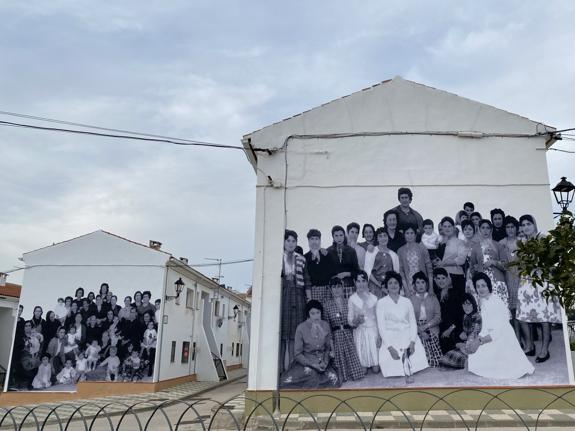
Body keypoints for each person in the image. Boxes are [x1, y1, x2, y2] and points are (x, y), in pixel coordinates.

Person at [468, 273, 535, 379]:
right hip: (489, 335)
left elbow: (499, 330)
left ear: (489, 286)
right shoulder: (483, 300)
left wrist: (480, 341)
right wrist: (477, 338)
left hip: (502, 338)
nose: (481, 289)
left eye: (483, 286)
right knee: (472, 361)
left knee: (491, 367)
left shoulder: (496, 301)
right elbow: (486, 326)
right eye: (478, 286)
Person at [516, 214, 562, 362]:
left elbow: (554, 258)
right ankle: (529, 346)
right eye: (523, 225)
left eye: (528, 224)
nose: (525, 227)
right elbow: (520, 264)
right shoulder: (522, 242)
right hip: (526, 281)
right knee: (522, 315)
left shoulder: (542, 238)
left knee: (544, 315)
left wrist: (542, 267)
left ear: (534, 224)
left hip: (541, 281)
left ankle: (544, 350)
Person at [376, 272, 429, 378]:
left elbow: (413, 323)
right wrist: (390, 348)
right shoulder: (381, 303)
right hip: (390, 337)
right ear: (386, 286)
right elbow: (381, 327)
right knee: (393, 371)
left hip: (407, 334)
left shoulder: (407, 301)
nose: (393, 285)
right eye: (390, 283)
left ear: (400, 285)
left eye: (396, 283)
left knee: (416, 367)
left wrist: (413, 342)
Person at [280, 300, 339, 389]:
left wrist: (325, 363)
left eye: (318, 313)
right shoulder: (301, 328)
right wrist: (312, 364)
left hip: (322, 362)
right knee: (309, 376)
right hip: (305, 363)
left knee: (334, 379)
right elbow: (297, 354)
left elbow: (327, 349)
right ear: (308, 314)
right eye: (312, 313)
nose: (316, 316)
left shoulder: (325, 325)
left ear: (321, 313)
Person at [323, 280, 365, 383]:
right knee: (339, 367)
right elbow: (327, 327)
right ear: (331, 290)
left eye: (338, 287)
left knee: (357, 370)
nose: (336, 290)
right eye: (334, 287)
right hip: (336, 336)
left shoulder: (349, 301)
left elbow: (354, 322)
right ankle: (343, 375)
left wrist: (358, 320)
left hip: (349, 334)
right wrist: (331, 346)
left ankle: (354, 373)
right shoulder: (327, 305)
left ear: (342, 288)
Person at [280, 230, 308, 372]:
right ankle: (280, 371)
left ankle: (293, 370)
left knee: (295, 334)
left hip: (298, 297)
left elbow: (307, 280)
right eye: (288, 241)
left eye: (293, 241)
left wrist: (308, 299)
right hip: (284, 296)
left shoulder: (301, 259)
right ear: (284, 242)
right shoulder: (279, 258)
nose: (290, 244)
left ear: (296, 243)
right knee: (283, 334)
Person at [469, 219, 510, 315]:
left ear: (491, 230)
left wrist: (493, 262)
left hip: (498, 283)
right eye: (483, 228)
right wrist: (478, 267)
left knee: (501, 312)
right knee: (486, 312)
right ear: (479, 229)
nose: (485, 230)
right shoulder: (475, 248)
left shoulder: (498, 245)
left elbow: (506, 265)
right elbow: (472, 268)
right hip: (483, 285)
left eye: (488, 228)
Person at [348, 271, 380, 374]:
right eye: (358, 281)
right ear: (354, 282)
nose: (361, 284)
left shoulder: (374, 298)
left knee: (376, 370)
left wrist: (379, 336)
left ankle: (375, 362)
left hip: (373, 332)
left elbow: (378, 319)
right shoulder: (352, 299)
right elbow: (350, 320)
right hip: (360, 332)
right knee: (363, 371)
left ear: (367, 282)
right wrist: (356, 321)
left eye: (363, 281)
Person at [440, 293, 482, 369]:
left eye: (469, 304)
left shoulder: (477, 317)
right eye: (464, 304)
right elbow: (464, 334)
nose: (466, 307)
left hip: (475, 345)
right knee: (445, 358)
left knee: (458, 358)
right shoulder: (465, 316)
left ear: (473, 304)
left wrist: (462, 345)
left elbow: (473, 335)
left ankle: (472, 363)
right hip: (466, 344)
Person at [410, 272, 442, 367]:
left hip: (431, 327)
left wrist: (426, 326)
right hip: (416, 328)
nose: (420, 285)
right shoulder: (410, 300)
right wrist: (420, 331)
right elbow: (409, 320)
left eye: (423, 282)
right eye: (418, 283)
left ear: (426, 284)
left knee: (436, 361)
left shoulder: (433, 298)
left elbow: (438, 317)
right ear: (414, 285)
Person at [499, 215, 522, 342]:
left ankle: (526, 339)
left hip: (520, 276)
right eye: (507, 227)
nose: (510, 229)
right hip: (507, 276)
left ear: (516, 227)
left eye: (512, 226)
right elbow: (501, 263)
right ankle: (516, 340)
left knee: (521, 309)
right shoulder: (501, 243)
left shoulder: (521, 241)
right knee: (511, 310)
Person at [434, 217, 467, 297]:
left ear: (453, 227)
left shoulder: (460, 242)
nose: (447, 228)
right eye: (444, 226)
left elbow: (461, 259)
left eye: (449, 226)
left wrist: (444, 263)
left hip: (455, 276)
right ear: (441, 227)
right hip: (440, 278)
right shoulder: (437, 242)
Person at [433, 268, 464, 353]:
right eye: (438, 278)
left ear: (447, 279)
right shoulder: (437, 295)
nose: (441, 281)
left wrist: (450, 329)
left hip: (455, 328)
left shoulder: (454, 293)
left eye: (443, 278)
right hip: (442, 329)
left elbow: (459, 315)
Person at [397, 225, 433, 296]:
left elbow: (429, 269)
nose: (409, 235)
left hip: (422, 284)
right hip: (409, 285)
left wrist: (431, 288)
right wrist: (406, 290)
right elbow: (401, 272)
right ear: (404, 235)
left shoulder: (422, 248)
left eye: (412, 233)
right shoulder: (400, 251)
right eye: (407, 233)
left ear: (415, 235)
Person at [304, 229, 336, 303]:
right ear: (308, 241)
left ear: (320, 240)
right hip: (312, 290)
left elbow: (333, 271)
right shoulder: (305, 257)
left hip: (327, 290)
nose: (314, 241)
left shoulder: (327, 255)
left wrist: (326, 256)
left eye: (316, 239)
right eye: (312, 239)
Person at [327, 225, 360, 298]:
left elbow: (357, 272)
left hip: (349, 286)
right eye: (336, 236)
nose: (339, 238)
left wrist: (347, 273)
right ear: (333, 237)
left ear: (344, 235)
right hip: (334, 288)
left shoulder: (351, 251)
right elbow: (327, 272)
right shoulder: (328, 251)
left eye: (341, 235)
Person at [366, 228, 400, 298]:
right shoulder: (371, 251)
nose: (383, 238)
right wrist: (380, 285)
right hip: (373, 287)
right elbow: (367, 271)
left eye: (385, 235)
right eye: (380, 236)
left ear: (388, 237)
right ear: (377, 239)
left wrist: (388, 287)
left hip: (388, 288)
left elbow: (396, 273)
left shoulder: (394, 255)